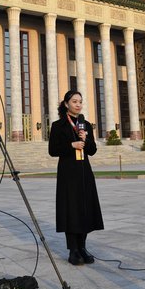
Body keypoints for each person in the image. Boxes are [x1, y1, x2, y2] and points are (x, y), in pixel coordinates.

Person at [48, 90, 104, 266]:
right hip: (68, 173)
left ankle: (82, 247)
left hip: (84, 172)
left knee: (85, 209)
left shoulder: (85, 124)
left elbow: (93, 150)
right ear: (66, 104)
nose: (78, 104)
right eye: (74, 101)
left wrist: (85, 140)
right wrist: (71, 145)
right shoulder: (58, 125)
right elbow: (52, 150)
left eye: (80, 101)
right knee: (71, 210)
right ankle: (73, 250)